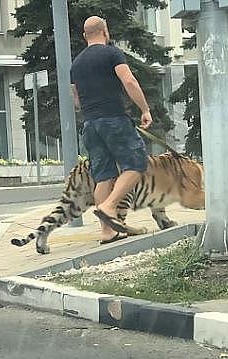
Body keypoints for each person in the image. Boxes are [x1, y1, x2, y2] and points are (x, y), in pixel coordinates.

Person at [70, 16, 152, 245]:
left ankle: (108, 232)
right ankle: (109, 205)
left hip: (90, 125)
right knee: (136, 163)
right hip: (114, 119)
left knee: (103, 175)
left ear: (85, 36)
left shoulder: (76, 64)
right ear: (105, 32)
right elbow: (129, 82)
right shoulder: (111, 53)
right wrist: (144, 109)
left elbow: (75, 98)